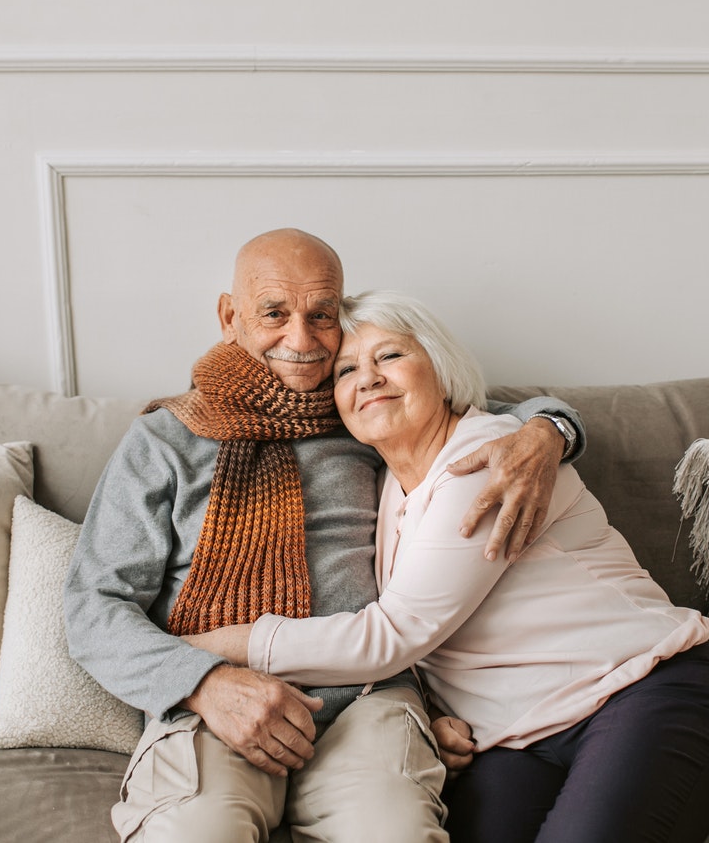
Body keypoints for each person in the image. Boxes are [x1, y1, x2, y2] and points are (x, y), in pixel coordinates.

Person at [64, 229, 584, 842]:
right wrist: (202, 684)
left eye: (321, 315)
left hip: (367, 698)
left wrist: (551, 430)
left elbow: (486, 411)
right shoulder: (165, 440)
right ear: (230, 317)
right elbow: (93, 606)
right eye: (274, 314)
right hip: (215, 703)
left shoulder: (366, 408)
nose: (302, 340)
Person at [186, 290, 709, 843]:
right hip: (518, 739)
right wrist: (433, 713)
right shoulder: (380, 486)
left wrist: (205, 648)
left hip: (643, 691)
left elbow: (394, 634)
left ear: (442, 368)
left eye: (390, 355)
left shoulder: (490, 458)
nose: (368, 378)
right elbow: (438, 628)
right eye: (346, 370)